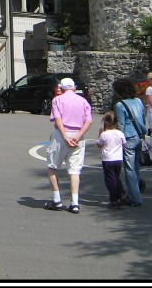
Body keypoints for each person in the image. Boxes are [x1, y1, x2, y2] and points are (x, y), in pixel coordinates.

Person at [44, 78, 93, 215]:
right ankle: (75, 202)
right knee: (75, 170)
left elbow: (58, 120)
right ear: (74, 87)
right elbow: (88, 121)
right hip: (78, 135)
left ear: (62, 88)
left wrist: (65, 136)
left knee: (53, 166)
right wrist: (77, 136)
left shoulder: (57, 100)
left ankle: (57, 199)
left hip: (61, 135)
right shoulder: (83, 101)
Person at [111, 77, 146, 207]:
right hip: (139, 135)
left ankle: (135, 197)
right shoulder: (138, 101)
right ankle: (134, 192)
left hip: (128, 137)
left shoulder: (120, 105)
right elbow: (143, 117)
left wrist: (118, 140)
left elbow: (121, 124)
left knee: (129, 168)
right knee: (136, 167)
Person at [96, 111, 127, 208]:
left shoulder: (104, 134)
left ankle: (114, 199)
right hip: (118, 158)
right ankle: (121, 193)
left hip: (108, 159)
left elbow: (99, 145)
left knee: (110, 179)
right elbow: (124, 144)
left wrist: (99, 134)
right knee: (116, 177)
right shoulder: (120, 133)